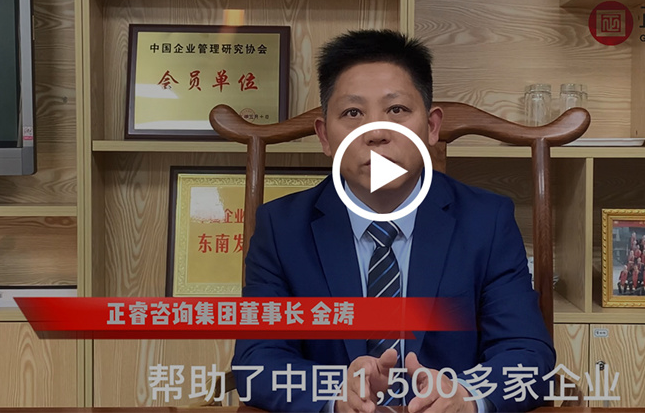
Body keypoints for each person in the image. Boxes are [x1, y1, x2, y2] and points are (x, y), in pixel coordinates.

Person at [231, 30, 555, 413]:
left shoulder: (486, 221)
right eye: (353, 113)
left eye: (397, 110)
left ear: (431, 127)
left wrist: (468, 397)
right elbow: (257, 359)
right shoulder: (281, 228)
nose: (377, 133)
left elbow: (526, 352)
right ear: (325, 137)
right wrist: (333, 394)